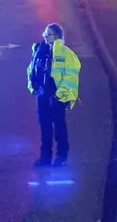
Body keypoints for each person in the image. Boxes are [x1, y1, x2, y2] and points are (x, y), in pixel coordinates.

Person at [26, 22, 81, 167]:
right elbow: (31, 69)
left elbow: (71, 75)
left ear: (57, 36)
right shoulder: (39, 50)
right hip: (42, 94)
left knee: (59, 127)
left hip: (56, 96)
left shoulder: (66, 53)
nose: (45, 36)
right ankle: (45, 158)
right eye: (44, 33)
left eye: (48, 34)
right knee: (44, 127)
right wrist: (33, 88)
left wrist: (60, 95)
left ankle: (61, 157)